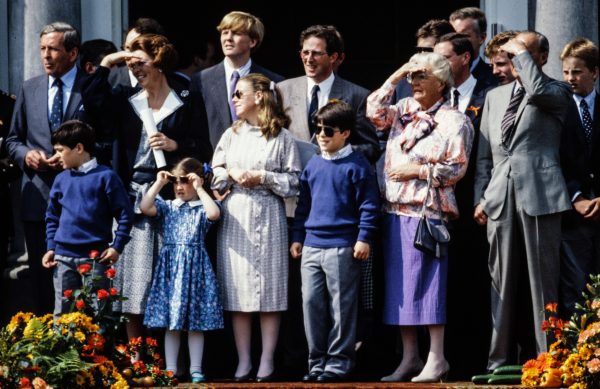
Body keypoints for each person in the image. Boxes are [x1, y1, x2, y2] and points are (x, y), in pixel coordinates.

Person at [82, 33, 211, 346]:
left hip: (173, 201)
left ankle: (171, 360)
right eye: (130, 62)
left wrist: (176, 145)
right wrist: (107, 63)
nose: (135, 68)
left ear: (160, 63)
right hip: (134, 197)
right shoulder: (127, 99)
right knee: (135, 283)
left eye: (141, 62)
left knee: (171, 281)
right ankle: (138, 357)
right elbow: (91, 100)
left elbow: (204, 146)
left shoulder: (186, 97)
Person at [367, 52, 474, 382]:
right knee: (400, 288)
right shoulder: (402, 111)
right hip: (394, 211)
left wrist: (417, 170)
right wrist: (398, 72)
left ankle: (436, 357)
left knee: (428, 286)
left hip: (428, 213)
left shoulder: (456, 120)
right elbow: (372, 111)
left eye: (420, 76)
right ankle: (410, 358)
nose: (413, 82)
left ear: (440, 83)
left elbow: (456, 167)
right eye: (412, 77)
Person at [473, 31, 572, 372]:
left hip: (541, 194)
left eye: (522, 54)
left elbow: (539, 90)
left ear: (541, 57)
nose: (514, 61)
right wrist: (481, 198)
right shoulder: (496, 96)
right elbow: (485, 157)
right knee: (499, 282)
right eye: (511, 56)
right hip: (499, 196)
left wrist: (518, 51)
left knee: (543, 283)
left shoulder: (556, 90)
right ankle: (497, 361)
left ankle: (550, 361)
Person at [211, 73, 301, 381]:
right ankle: (244, 360)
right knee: (239, 290)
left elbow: (294, 182)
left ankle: (267, 359)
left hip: (269, 211)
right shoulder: (232, 133)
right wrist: (231, 173)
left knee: (270, 289)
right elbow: (217, 169)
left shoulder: (282, 137)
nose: (234, 99)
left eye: (240, 93)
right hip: (236, 212)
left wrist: (263, 177)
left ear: (259, 96)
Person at [290, 100, 380, 382]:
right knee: (311, 306)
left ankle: (339, 363)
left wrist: (363, 238)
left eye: (329, 129)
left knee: (342, 308)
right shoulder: (314, 164)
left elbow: (369, 205)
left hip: (343, 246)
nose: (322, 135)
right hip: (312, 246)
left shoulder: (358, 164)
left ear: (346, 133)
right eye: (318, 129)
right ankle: (316, 363)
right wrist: (297, 237)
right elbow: (303, 205)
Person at [6, 21, 88, 315]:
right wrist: (27, 155)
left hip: (81, 198)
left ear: (73, 52)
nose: (46, 56)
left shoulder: (89, 89)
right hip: (37, 196)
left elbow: (104, 140)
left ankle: (83, 345)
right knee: (41, 276)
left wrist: (73, 159)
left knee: (82, 281)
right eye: (42, 49)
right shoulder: (30, 88)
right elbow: (13, 139)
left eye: (53, 49)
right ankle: (48, 349)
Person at [433, 31, 493, 377]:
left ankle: (474, 360)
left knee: (474, 283)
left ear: (465, 58)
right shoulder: (431, 96)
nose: (438, 64)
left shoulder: (488, 94)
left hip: (474, 205)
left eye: (445, 57)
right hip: (438, 207)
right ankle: (443, 359)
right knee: (443, 285)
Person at [141, 157, 223, 383]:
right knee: (172, 322)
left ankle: (196, 369)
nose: (179, 187)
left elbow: (214, 214)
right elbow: (145, 207)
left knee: (196, 322)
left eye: (185, 182)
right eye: (176, 182)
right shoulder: (168, 207)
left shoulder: (201, 208)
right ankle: (171, 368)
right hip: (171, 269)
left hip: (195, 268)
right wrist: (159, 183)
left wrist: (200, 188)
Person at [41, 120, 133, 316]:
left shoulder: (106, 177)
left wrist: (117, 247)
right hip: (63, 258)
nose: (56, 156)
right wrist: (51, 247)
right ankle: (63, 348)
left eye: (60, 150)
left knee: (98, 316)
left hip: (95, 259)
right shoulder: (60, 179)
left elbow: (125, 214)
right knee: (62, 315)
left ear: (79, 148)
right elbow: (52, 217)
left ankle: (96, 349)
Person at [278, 25, 380, 164]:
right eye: (305, 52)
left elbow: (371, 148)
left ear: (333, 57)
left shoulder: (357, 95)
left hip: (334, 179)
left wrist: (336, 151)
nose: (309, 59)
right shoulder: (283, 89)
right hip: (293, 180)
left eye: (316, 53)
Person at [191, 11, 284, 148]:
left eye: (236, 33)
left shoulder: (272, 81)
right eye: (224, 32)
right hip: (212, 164)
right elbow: (194, 129)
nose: (228, 38)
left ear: (252, 42)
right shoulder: (200, 80)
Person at [558, 37, 600, 319]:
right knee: (575, 289)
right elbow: (552, 160)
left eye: (577, 71)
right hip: (572, 213)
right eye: (565, 72)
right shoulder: (557, 111)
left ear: (594, 72)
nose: (570, 78)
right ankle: (578, 355)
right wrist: (576, 197)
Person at [393, 19, 455, 103]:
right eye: (419, 50)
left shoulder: (459, 85)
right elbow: (378, 112)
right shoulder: (403, 86)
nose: (422, 55)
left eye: (428, 50)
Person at [108, 17, 166, 89]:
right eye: (127, 48)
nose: (129, 55)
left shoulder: (171, 82)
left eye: (138, 49)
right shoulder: (110, 80)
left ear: (156, 51)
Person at [449, 7, 497, 88]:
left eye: (464, 35)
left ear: (481, 38)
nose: (456, 41)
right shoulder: (438, 77)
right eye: (453, 35)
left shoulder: (495, 78)